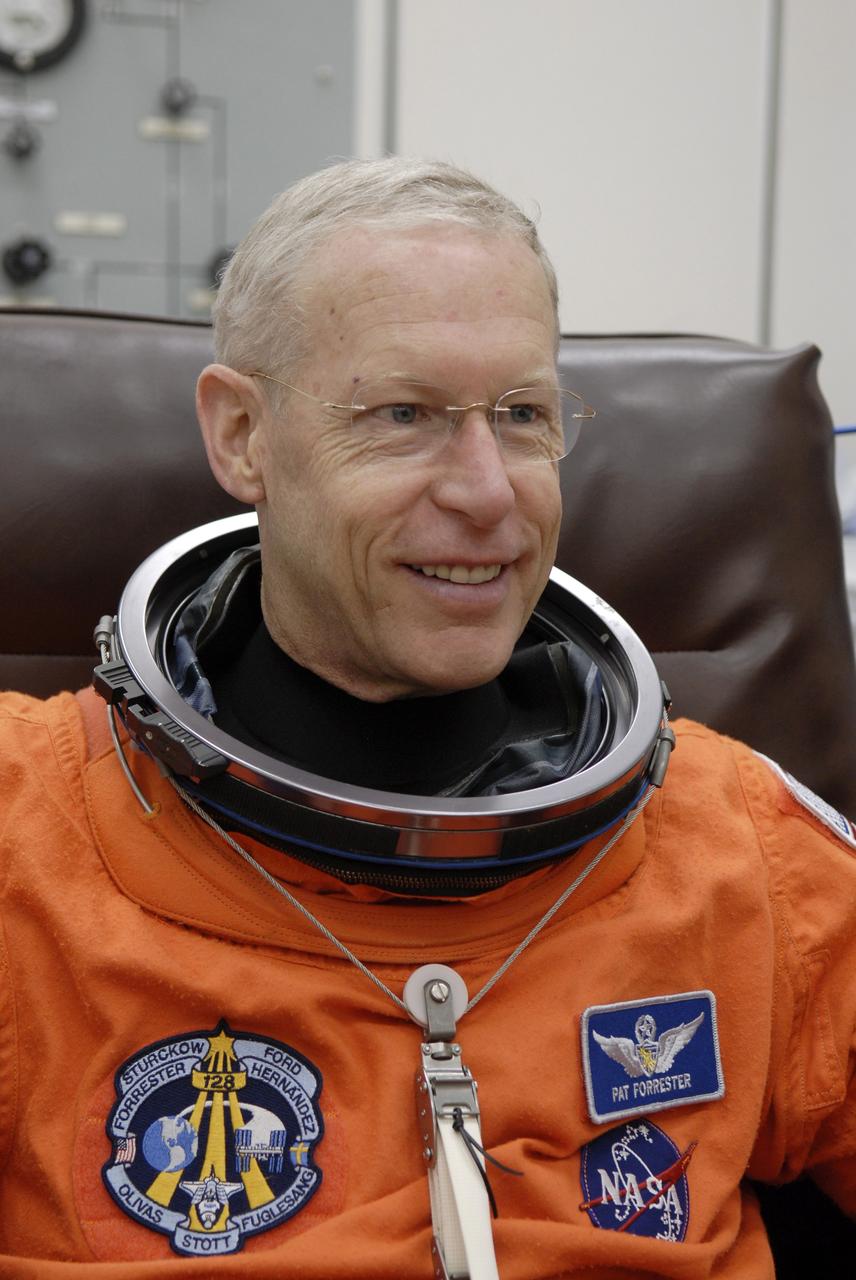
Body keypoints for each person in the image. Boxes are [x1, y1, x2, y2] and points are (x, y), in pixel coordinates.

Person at [0, 157, 854, 1280]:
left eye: (521, 413)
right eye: (402, 414)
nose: (488, 490)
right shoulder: (28, 835)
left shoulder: (742, 846)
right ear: (242, 434)